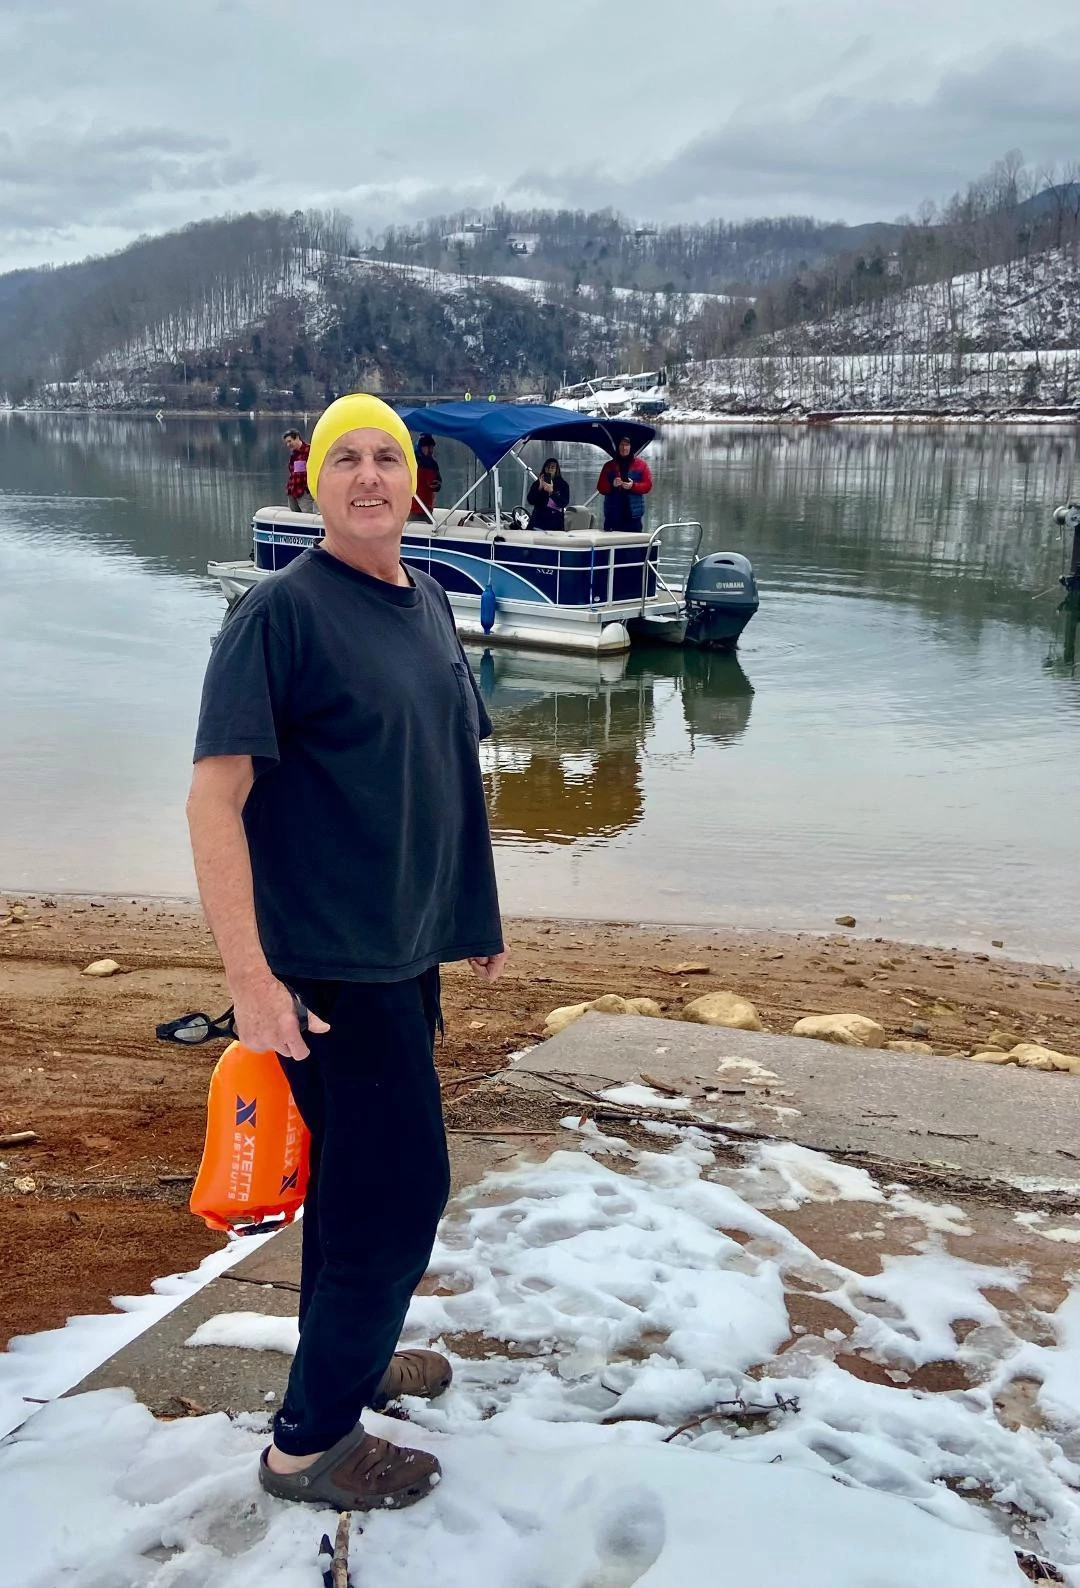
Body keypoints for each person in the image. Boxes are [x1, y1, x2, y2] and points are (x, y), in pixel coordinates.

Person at [187, 393, 507, 1513]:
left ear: (414, 483)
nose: (369, 476)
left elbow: (438, 777)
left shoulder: (423, 600)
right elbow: (214, 801)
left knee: (357, 1188)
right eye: (345, 459)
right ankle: (309, 1445)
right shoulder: (279, 613)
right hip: (324, 969)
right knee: (399, 1194)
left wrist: (471, 921)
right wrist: (248, 983)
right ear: (312, 481)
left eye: (388, 458)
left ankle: (349, 1363)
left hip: (400, 957)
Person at [596, 434, 653, 532]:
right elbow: (601, 488)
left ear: (631, 447)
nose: (624, 448)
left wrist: (633, 486)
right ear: (618, 447)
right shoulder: (609, 466)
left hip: (633, 516)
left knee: (633, 544)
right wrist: (612, 484)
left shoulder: (641, 465)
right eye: (621, 445)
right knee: (612, 544)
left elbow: (647, 486)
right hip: (612, 516)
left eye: (626, 445)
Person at [526, 456, 571, 531]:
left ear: (556, 470)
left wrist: (552, 492)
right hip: (537, 522)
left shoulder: (563, 485)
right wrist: (540, 488)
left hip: (555, 524)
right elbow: (530, 501)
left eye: (552, 467)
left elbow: (564, 503)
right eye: (548, 467)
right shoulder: (537, 483)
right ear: (544, 468)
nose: (550, 469)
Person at [283, 430, 314, 512]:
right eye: (287, 443)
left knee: (307, 517)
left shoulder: (309, 451)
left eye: (290, 441)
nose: (288, 444)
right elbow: (294, 472)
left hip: (304, 492)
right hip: (292, 490)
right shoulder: (294, 454)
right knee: (294, 518)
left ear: (297, 438)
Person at [414, 433, 442, 516]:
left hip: (427, 508)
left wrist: (437, 485)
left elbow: (438, 480)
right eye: (426, 447)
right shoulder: (411, 461)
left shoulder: (433, 464)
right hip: (412, 509)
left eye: (431, 447)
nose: (430, 450)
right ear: (420, 447)